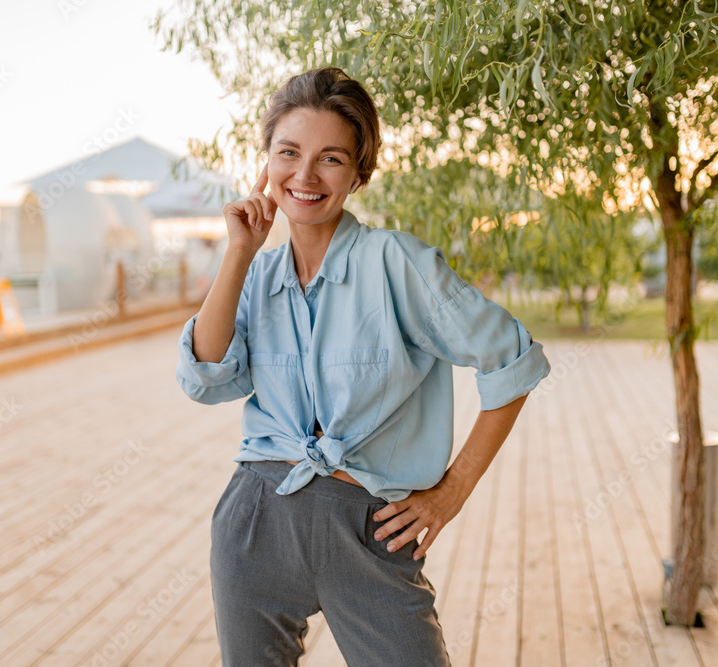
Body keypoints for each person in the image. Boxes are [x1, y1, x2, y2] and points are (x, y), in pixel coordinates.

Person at [176, 67, 551, 666]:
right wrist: (240, 251)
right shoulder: (257, 275)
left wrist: (451, 492)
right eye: (288, 153)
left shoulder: (396, 264)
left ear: (358, 173)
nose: (304, 175)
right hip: (256, 523)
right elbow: (205, 377)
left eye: (330, 158)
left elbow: (512, 360)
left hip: (370, 532)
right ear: (266, 161)